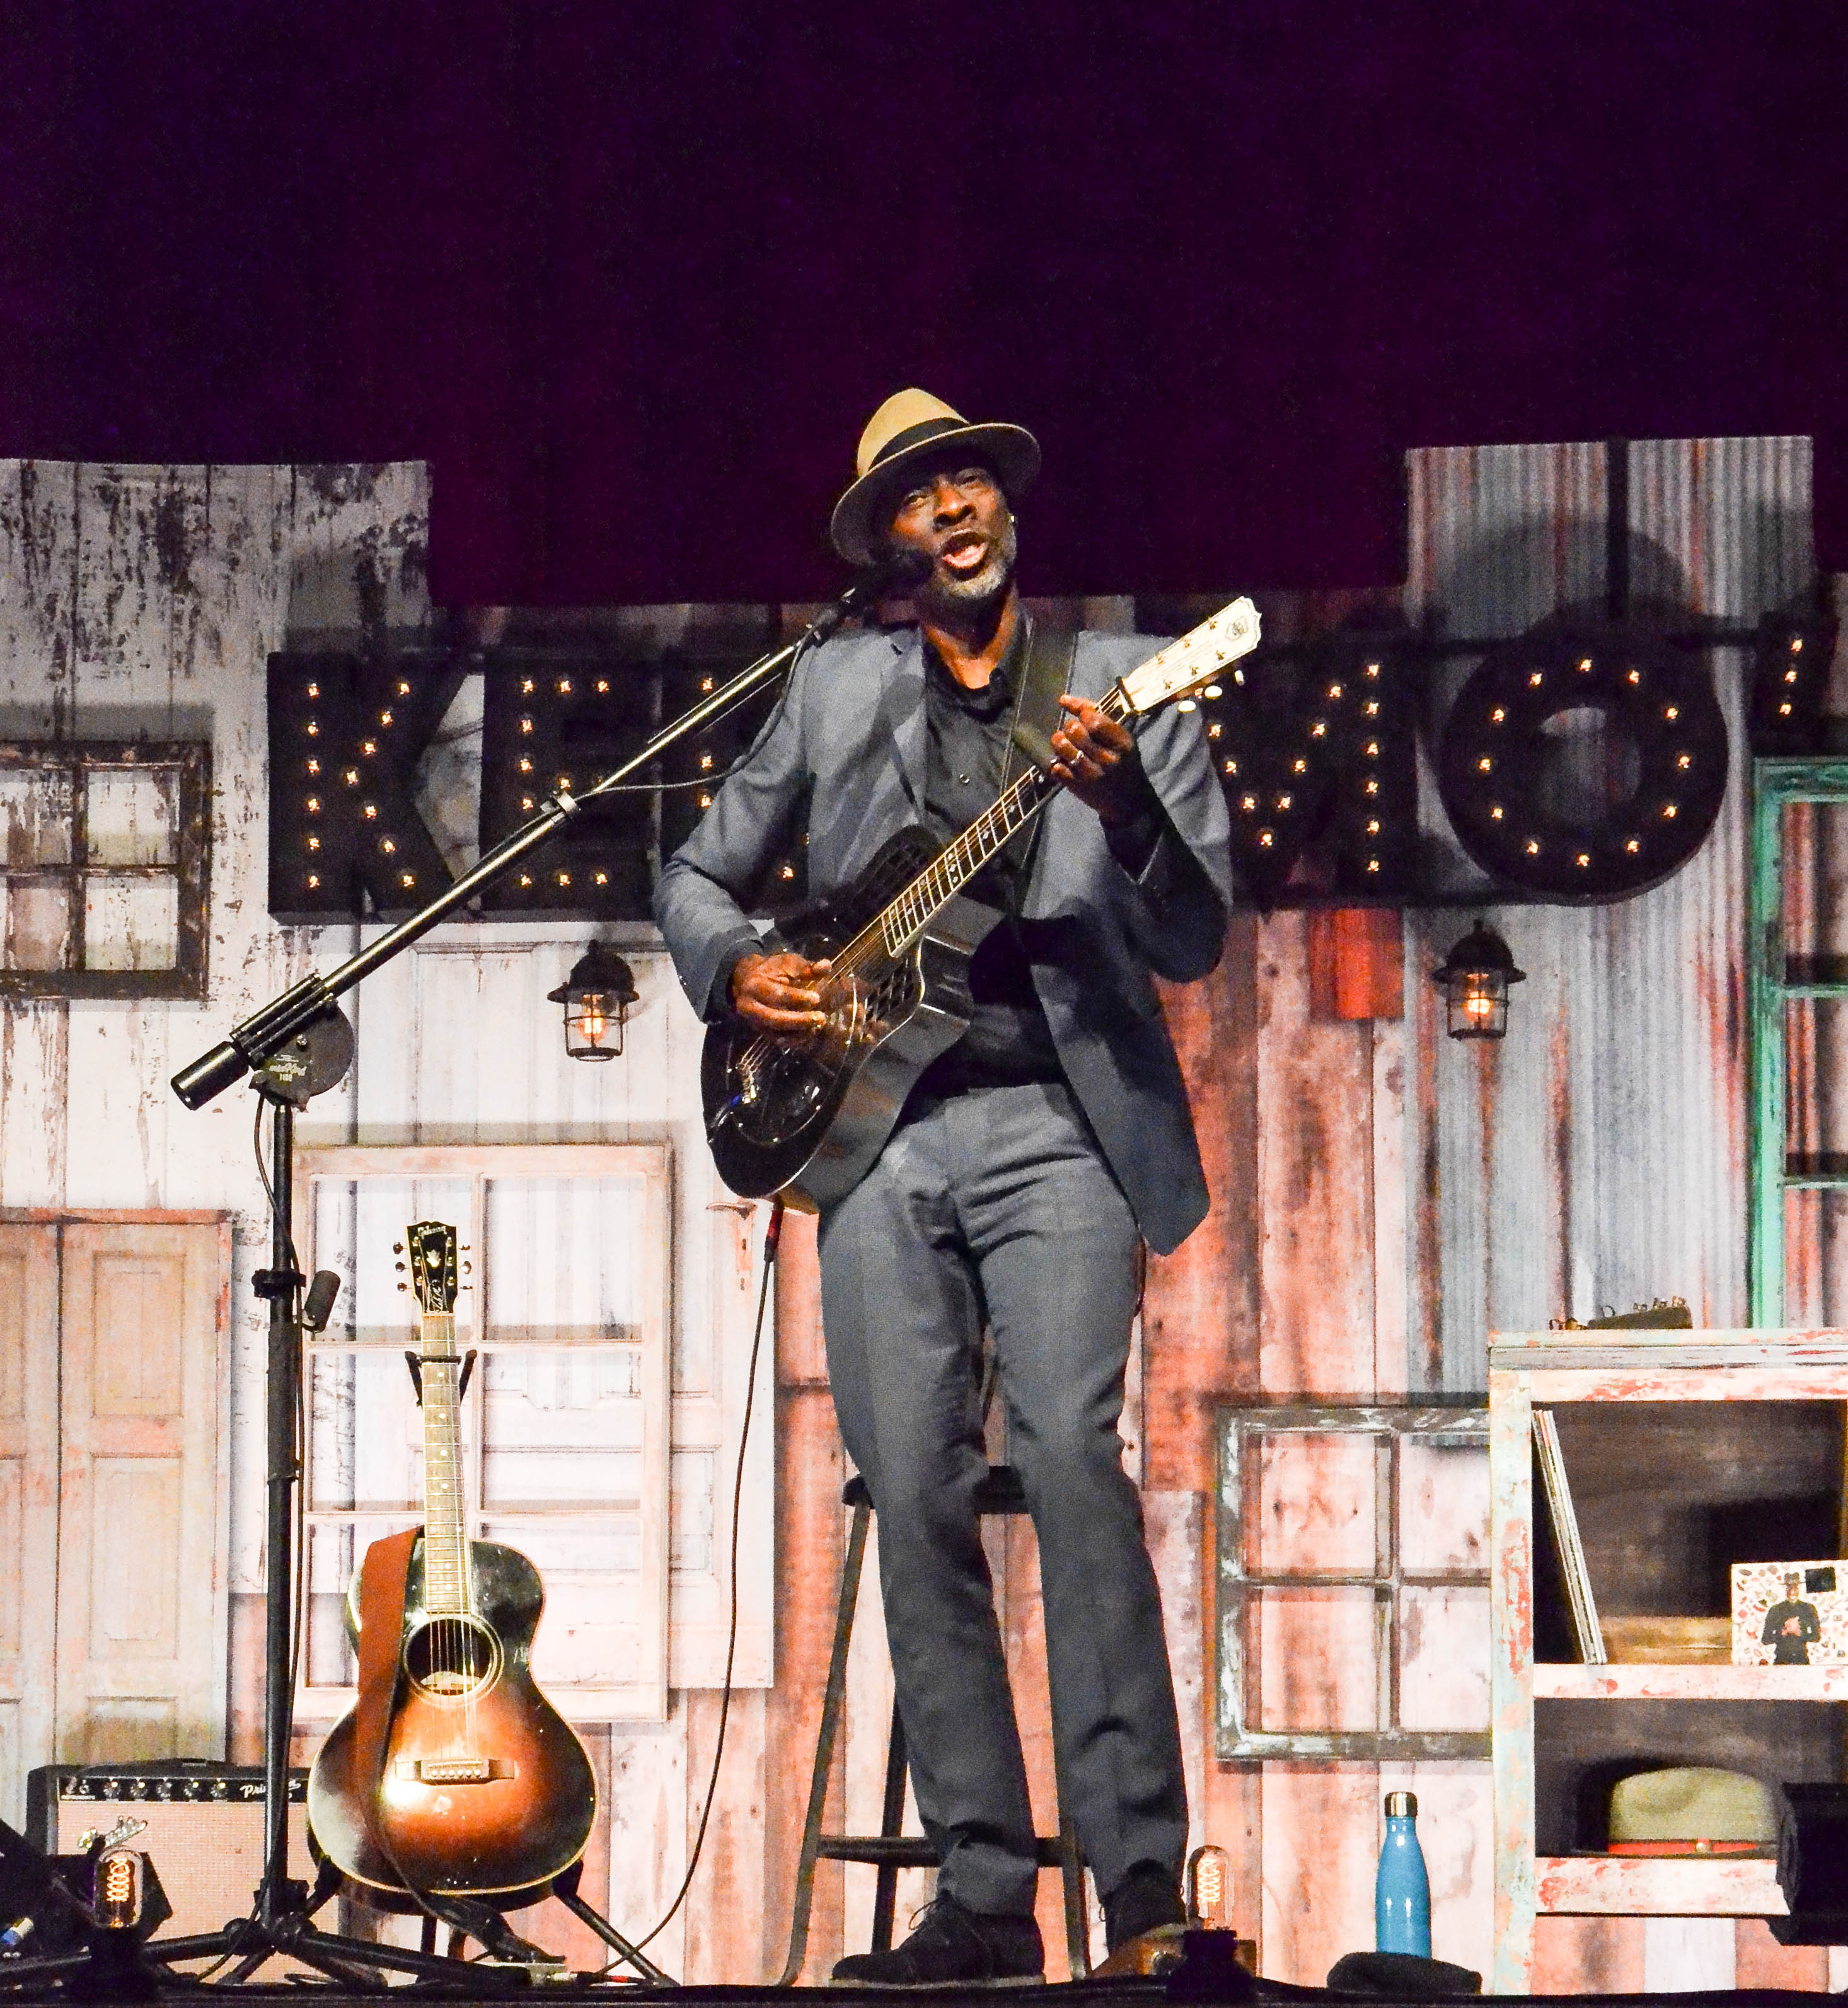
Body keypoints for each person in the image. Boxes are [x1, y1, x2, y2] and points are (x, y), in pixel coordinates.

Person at [655, 389, 1233, 1984]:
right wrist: (742, 969)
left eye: (970, 477)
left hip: (1057, 1117)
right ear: (891, 546)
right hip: (873, 1132)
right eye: (920, 496)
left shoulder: (1123, 684)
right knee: (909, 1487)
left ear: (1006, 511)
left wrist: (1118, 804)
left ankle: (1144, 1901)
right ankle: (982, 1899)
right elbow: (691, 873)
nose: (954, 505)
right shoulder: (835, 687)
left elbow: (1190, 936)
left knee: (1065, 1458)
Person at [1762, 1572, 1822, 1666]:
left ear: (1799, 1588)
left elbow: (1816, 1637)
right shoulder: (1775, 1610)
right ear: (1785, 1589)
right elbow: (1765, 1639)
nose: (1792, 1590)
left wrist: (1800, 1633)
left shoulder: (1808, 1608)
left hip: (1801, 1659)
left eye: (1795, 1586)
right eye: (1789, 1586)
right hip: (1781, 1660)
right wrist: (1782, 1634)